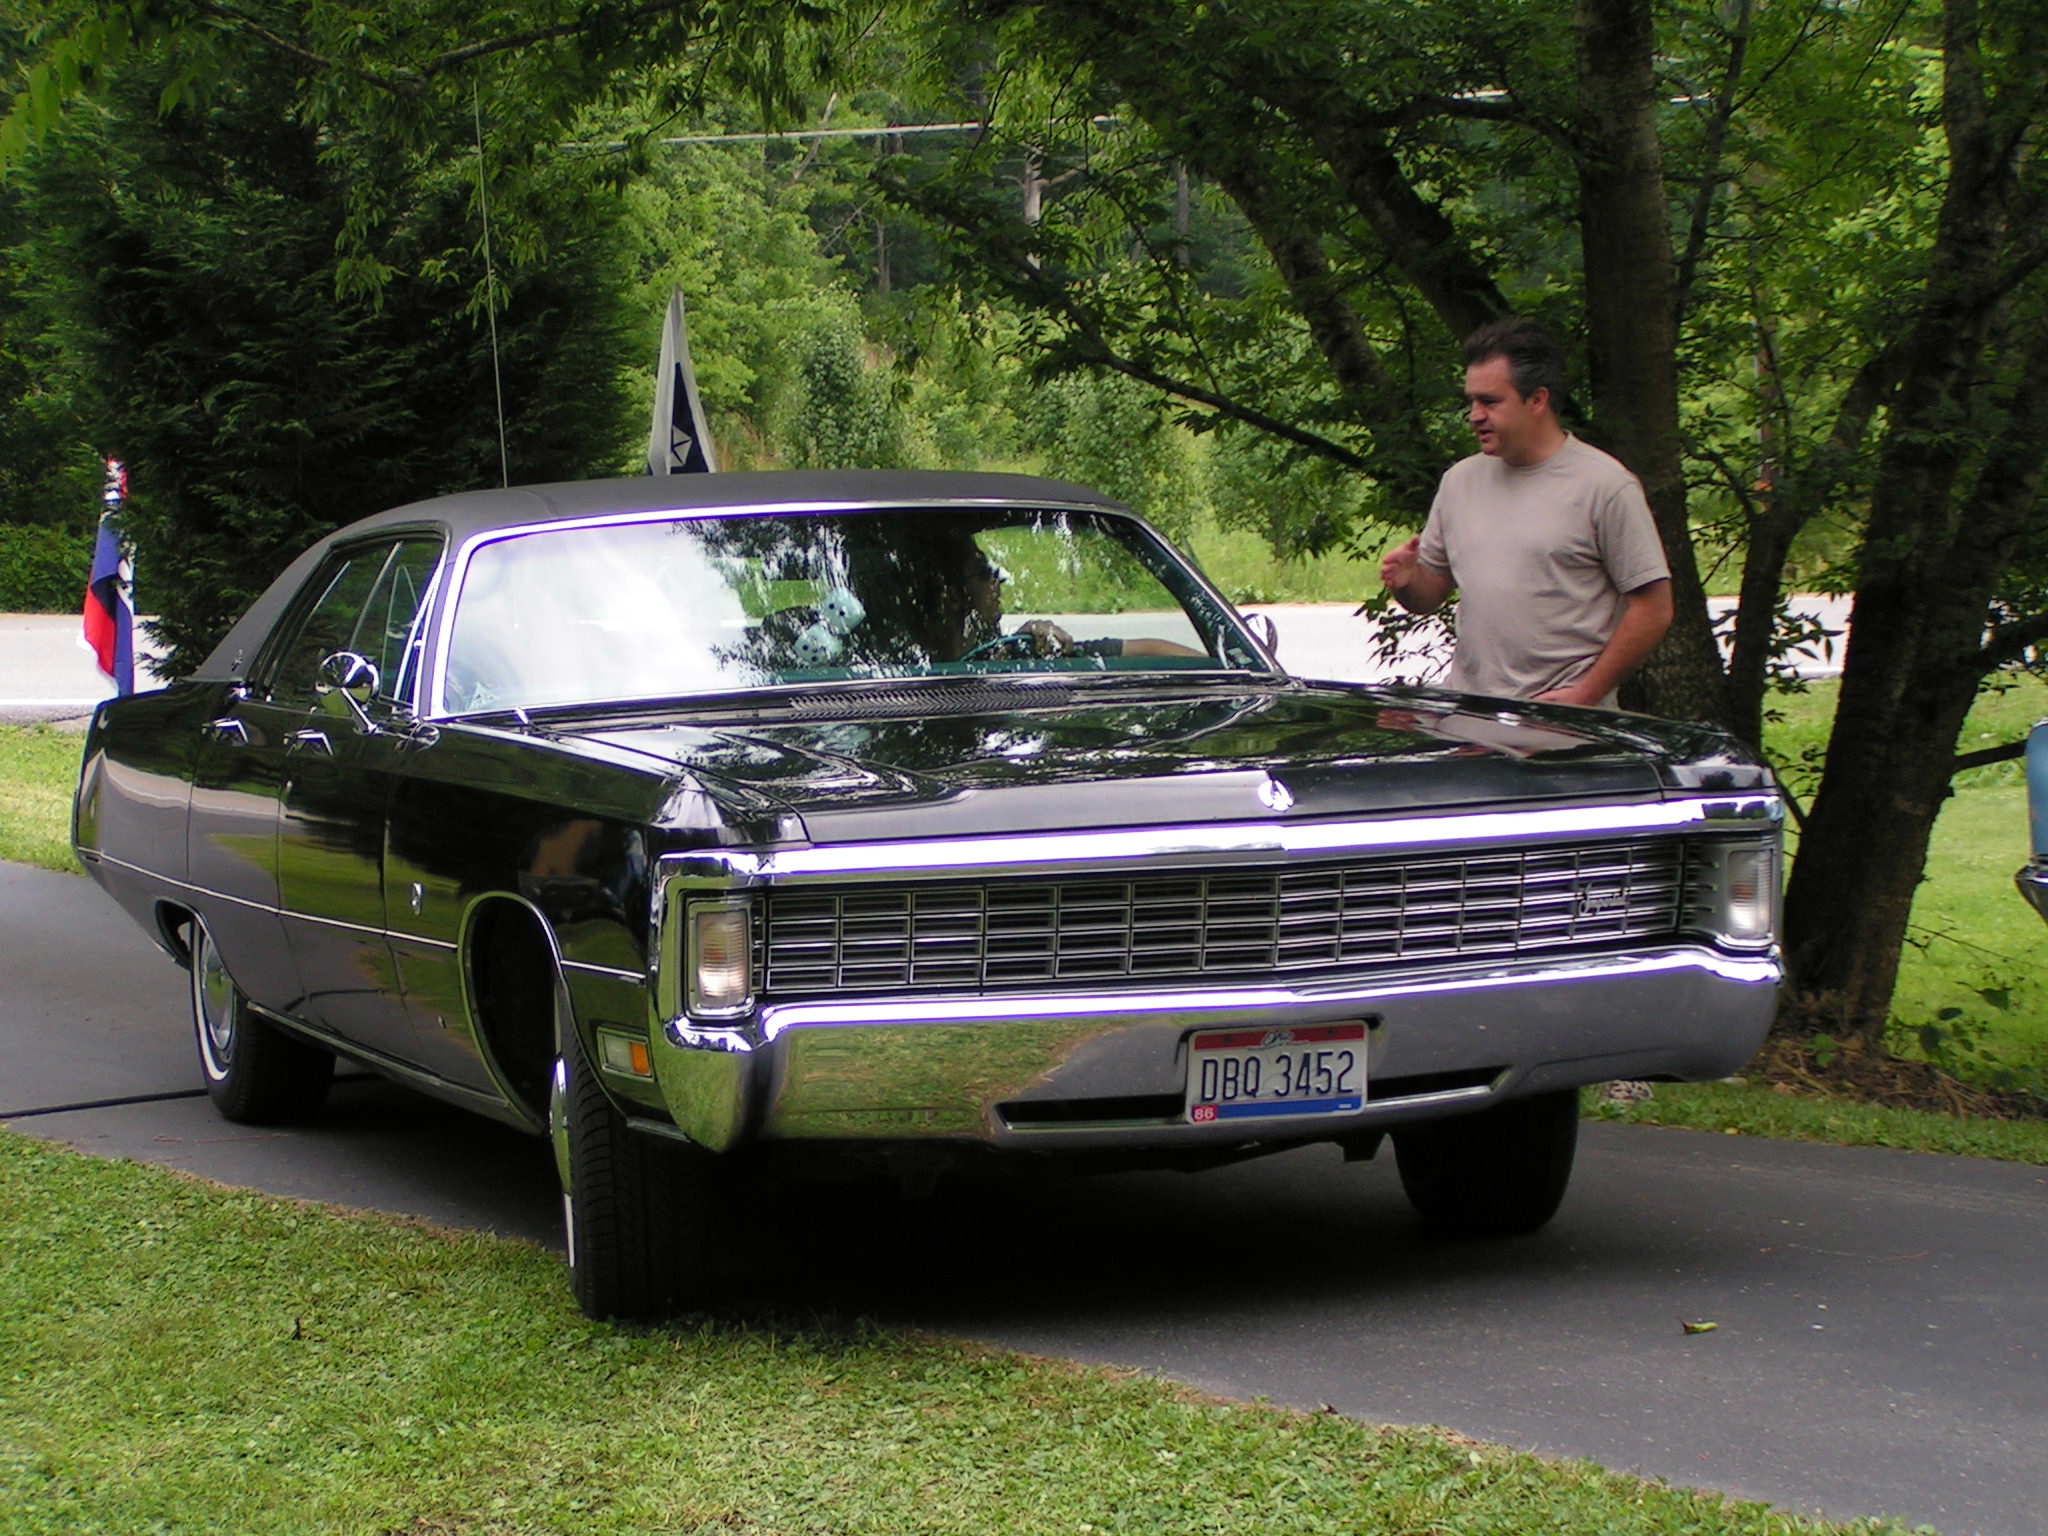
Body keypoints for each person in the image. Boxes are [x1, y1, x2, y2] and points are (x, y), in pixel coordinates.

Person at [1379, 318, 1673, 708]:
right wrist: (1406, 582)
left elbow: (1654, 608)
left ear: (1537, 400)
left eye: (1490, 401)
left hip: (1565, 730)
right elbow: (1429, 593)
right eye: (1471, 401)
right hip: (1471, 721)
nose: (1475, 415)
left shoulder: (1605, 486)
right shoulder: (1459, 482)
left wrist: (1587, 694)